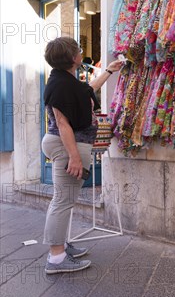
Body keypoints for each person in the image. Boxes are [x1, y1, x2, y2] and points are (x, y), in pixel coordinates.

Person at [42, 36, 123, 274]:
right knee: (62, 201)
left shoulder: (65, 81)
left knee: (64, 201)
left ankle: (61, 247)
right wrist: (75, 157)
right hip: (67, 146)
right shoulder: (61, 85)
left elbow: (88, 91)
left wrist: (109, 70)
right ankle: (56, 258)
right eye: (78, 50)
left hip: (66, 145)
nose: (81, 53)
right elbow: (62, 123)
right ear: (73, 58)